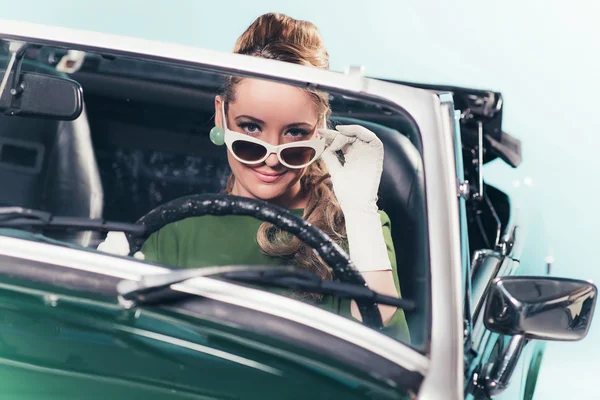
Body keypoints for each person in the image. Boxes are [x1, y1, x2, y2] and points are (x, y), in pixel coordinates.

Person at [98, 12, 409, 342]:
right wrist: (102, 285)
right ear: (221, 114)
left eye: (294, 133)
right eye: (251, 128)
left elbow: (385, 346)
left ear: (319, 130)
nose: (272, 157)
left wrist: (361, 212)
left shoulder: (357, 231)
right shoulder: (171, 233)